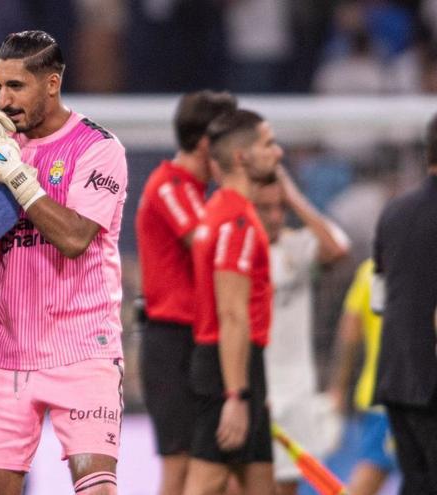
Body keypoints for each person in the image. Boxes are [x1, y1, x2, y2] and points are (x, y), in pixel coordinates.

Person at [0, 30, 128, 495]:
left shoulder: (98, 148)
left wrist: (19, 178)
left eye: (16, 86)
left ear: (52, 84)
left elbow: (76, 238)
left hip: (83, 348)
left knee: (97, 489)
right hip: (4, 350)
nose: (4, 99)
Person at [135, 90, 237, 495]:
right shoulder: (168, 186)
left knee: (216, 470)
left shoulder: (197, 192)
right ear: (207, 144)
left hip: (198, 342)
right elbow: (207, 246)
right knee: (179, 468)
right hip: (172, 343)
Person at [185, 109, 283, 495]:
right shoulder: (236, 223)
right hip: (226, 368)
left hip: (241, 365)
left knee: (261, 486)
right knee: (204, 484)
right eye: (268, 144)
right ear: (243, 157)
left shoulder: (219, 212)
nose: (277, 153)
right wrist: (237, 395)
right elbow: (231, 314)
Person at [252, 167, 349, 494]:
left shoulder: (299, 247)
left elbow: (337, 248)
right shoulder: (237, 251)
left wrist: (294, 196)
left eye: (281, 207)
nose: (276, 217)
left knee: (286, 486)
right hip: (252, 387)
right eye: (265, 208)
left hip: (295, 389)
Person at [371, 114, 437, 494]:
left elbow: (380, 297)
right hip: (434, 381)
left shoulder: (394, 211)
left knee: (415, 483)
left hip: (397, 376)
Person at [329, 259, 397, 495]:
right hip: (401, 395)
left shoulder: (370, 269)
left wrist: (338, 387)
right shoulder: (424, 267)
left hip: (377, 392)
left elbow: (349, 333)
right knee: (373, 470)